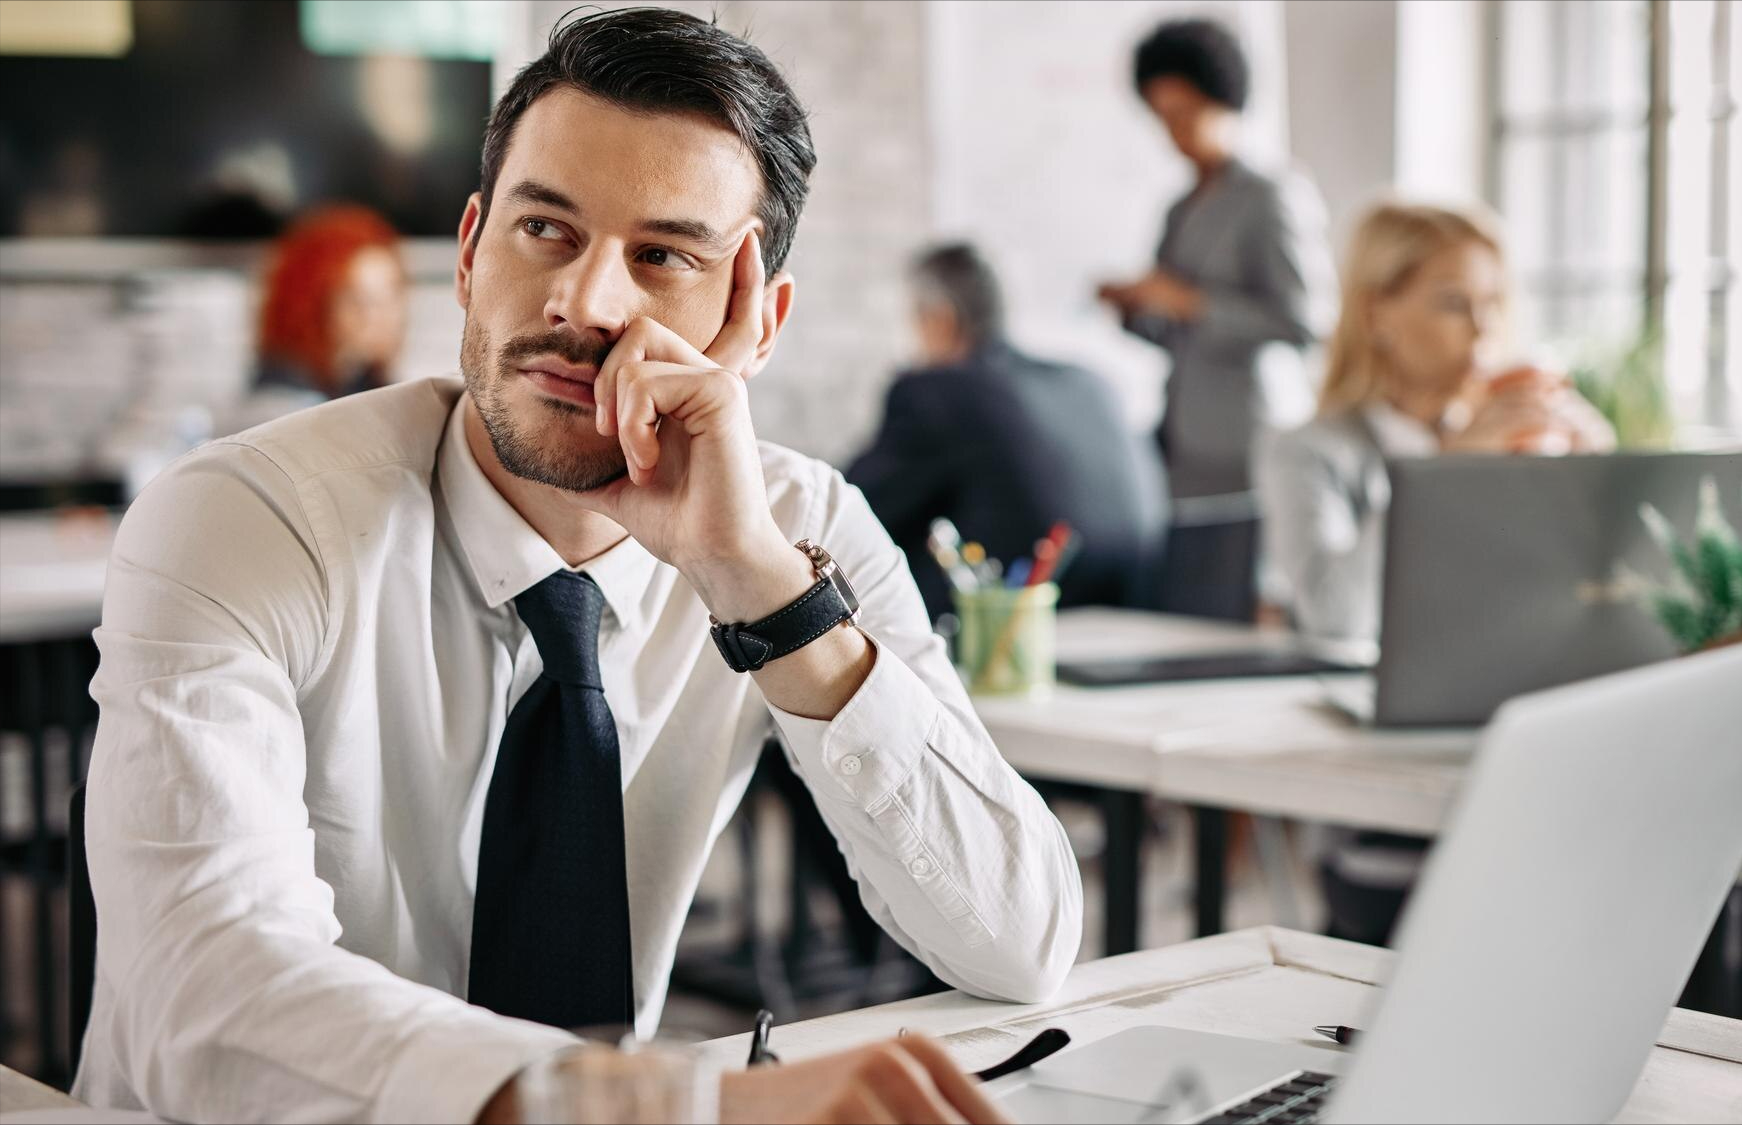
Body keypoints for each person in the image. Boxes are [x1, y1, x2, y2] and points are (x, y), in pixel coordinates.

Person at [76, 11, 1078, 1124]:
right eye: (545, 231)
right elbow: (201, 995)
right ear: (467, 254)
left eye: (662, 257)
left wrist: (762, 589)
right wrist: (657, 1107)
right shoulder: (245, 516)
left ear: (757, 323)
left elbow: (1020, 943)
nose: (586, 304)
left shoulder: (795, 525)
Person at [1258, 200, 1614, 646]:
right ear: (1376, 314)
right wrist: (1443, 476)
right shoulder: (1309, 450)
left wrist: (1597, 475)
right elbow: (1336, 619)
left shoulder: (1510, 441)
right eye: (1453, 303)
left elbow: (1571, 604)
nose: (1483, 328)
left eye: (1492, 302)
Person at [1096, 17, 1333, 618]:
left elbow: (1306, 321)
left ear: (1223, 100)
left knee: (1236, 605)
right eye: (1162, 116)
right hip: (1184, 444)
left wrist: (1190, 301)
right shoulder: (1180, 207)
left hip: (1248, 446)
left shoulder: (1272, 194)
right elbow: (1170, 329)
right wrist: (1138, 308)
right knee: (1188, 603)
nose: (1173, 133)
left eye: (1185, 113)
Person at [848, 243, 1169, 618]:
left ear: (940, 320)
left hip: (1002, 630)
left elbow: (852, 510)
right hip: (1137, 611)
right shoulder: (1090, 383)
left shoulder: (937, 391)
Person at [231, 204, 409, 431]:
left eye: (393, 294)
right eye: (360, 300)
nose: (387, 317)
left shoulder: (366, 382)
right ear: (313, 305)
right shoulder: (279, 407)